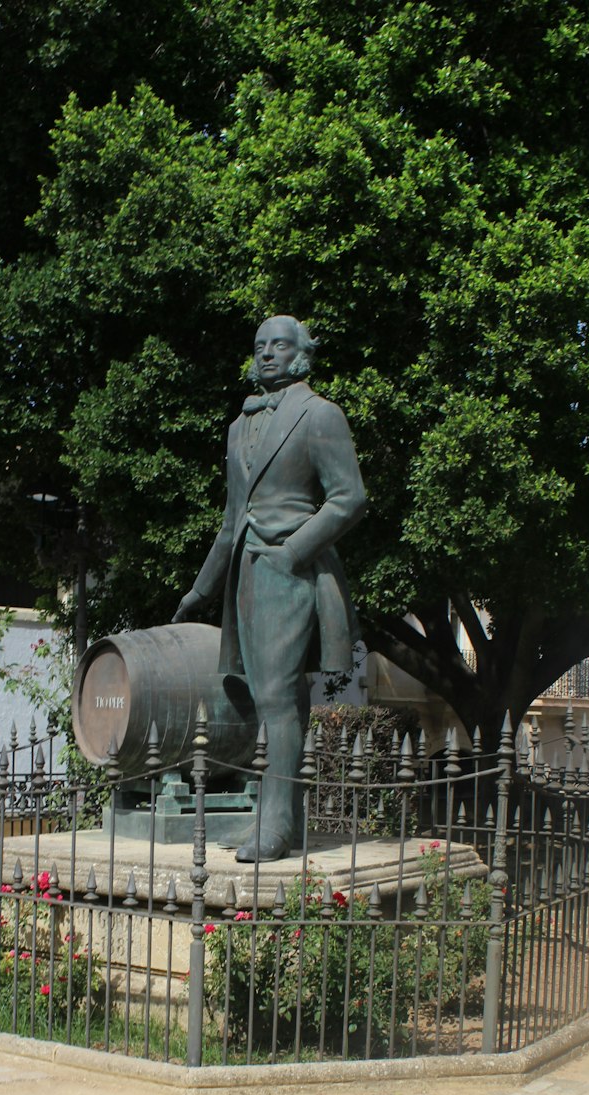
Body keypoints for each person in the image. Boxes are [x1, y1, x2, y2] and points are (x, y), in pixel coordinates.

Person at [173, 315, 366, 860]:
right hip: (245, 573)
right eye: (259, 346)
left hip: (291, 568)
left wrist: (291, 551)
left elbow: (349, 498)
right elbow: (233, 518)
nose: (267, 354)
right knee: (267, 699)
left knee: (279, 697)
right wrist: (200, 590)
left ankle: (276, 825)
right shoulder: (239, 427)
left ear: (302, 353)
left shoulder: (321, 414)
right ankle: (285, 820)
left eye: (279, 345)